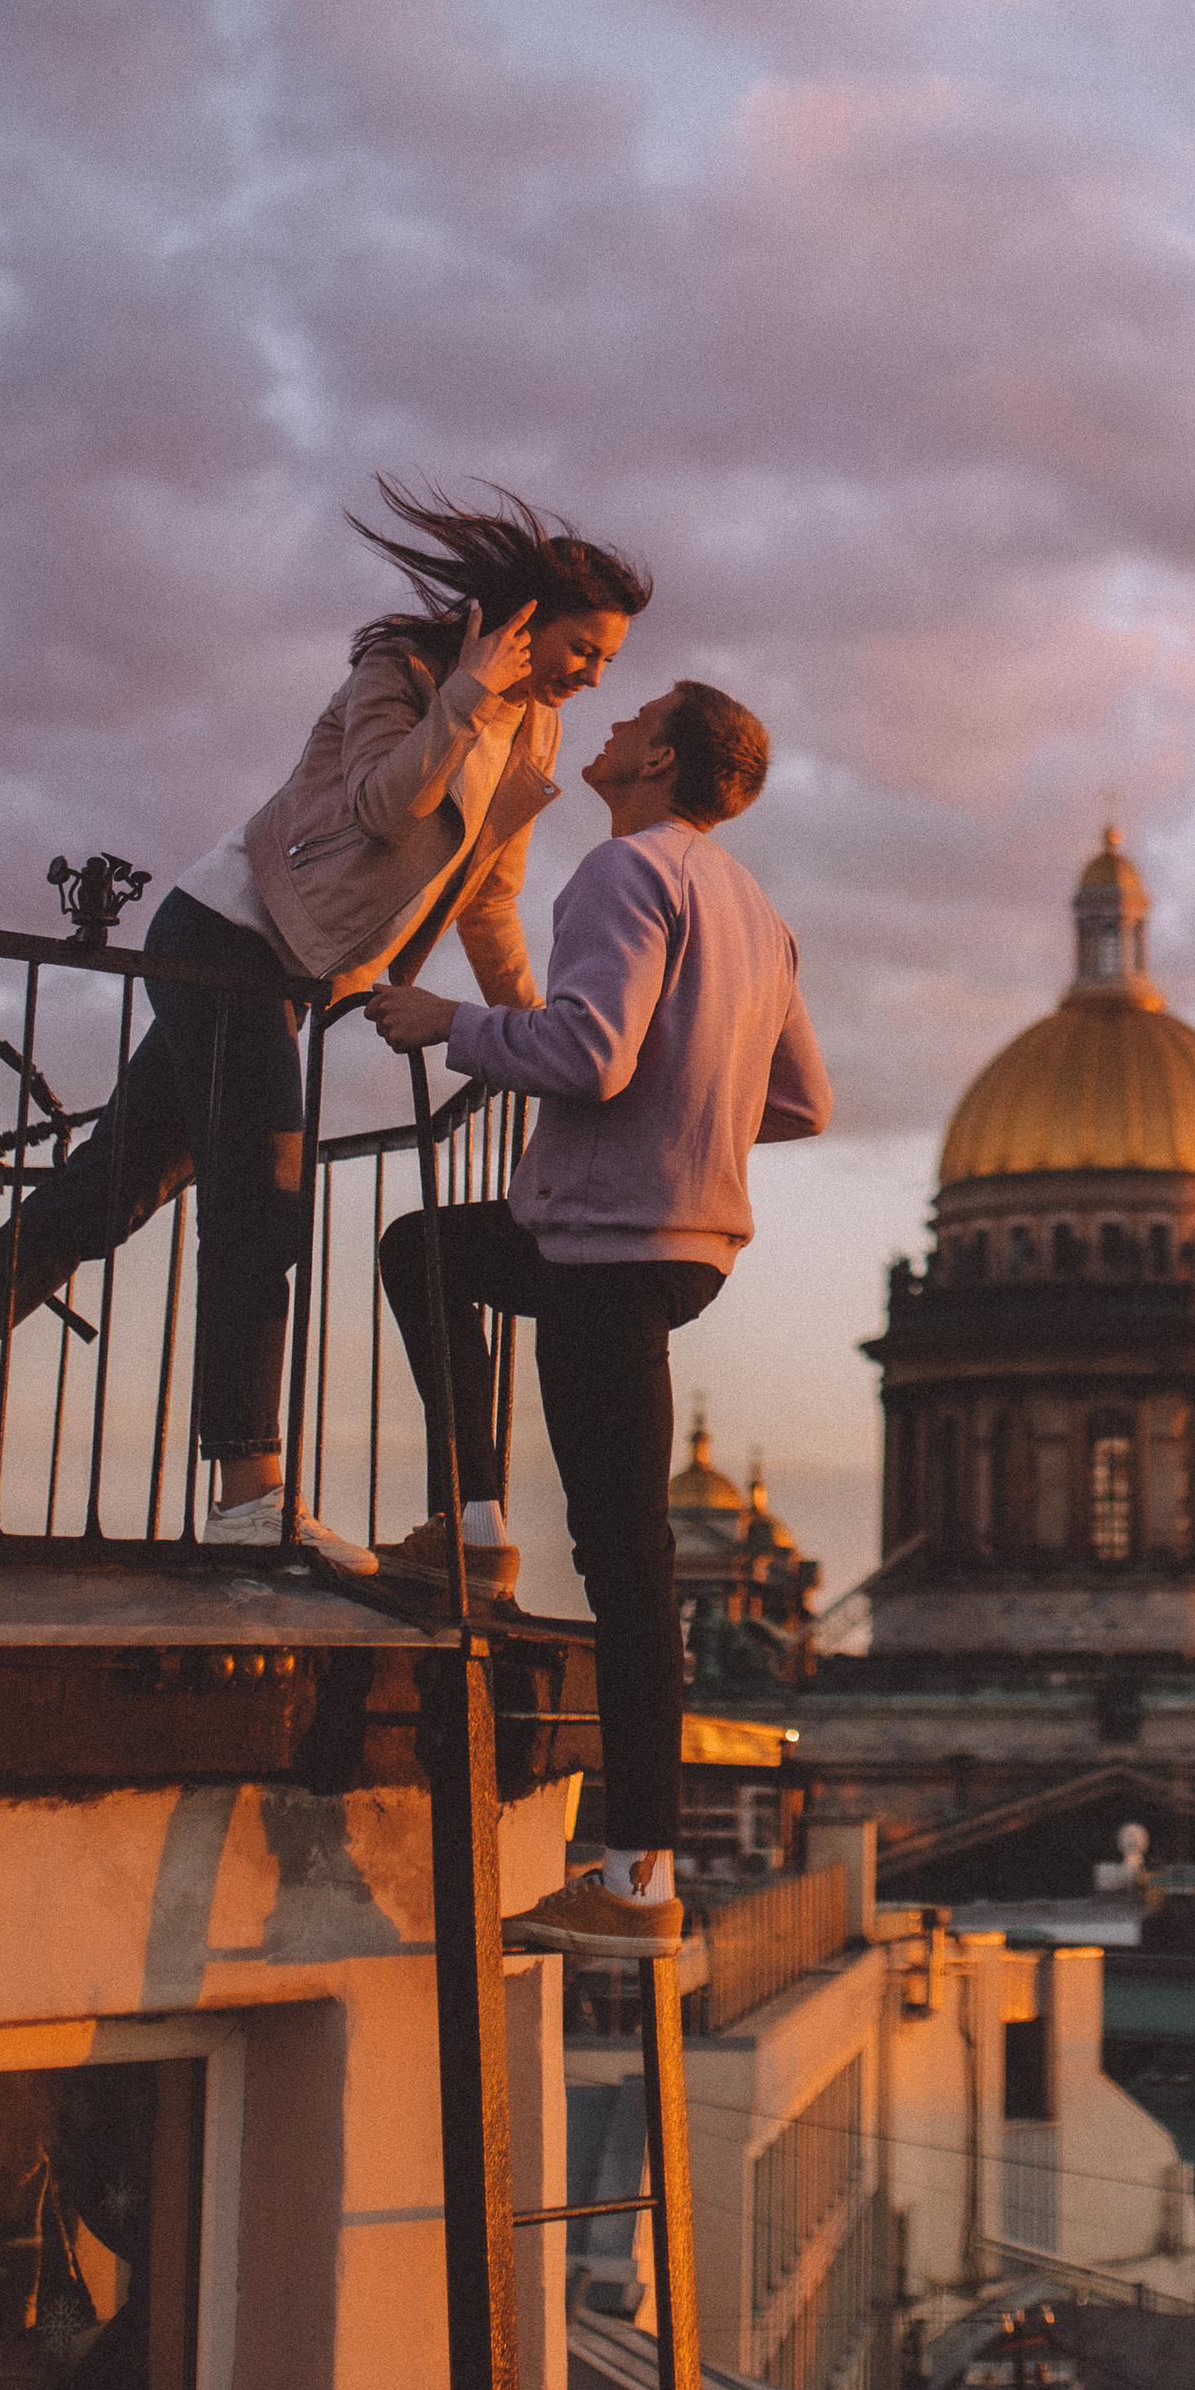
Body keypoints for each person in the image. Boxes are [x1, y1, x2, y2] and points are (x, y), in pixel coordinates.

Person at [0, 482, 649, 1568]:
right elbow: (384, 806)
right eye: (584, 648)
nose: (593, 675)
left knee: (106, 1192)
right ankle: (248, 1491)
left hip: (284, 973)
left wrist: (530, 1034)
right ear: (525, 623)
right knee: (261, 1203)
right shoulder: (402, 670)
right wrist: (462, 697)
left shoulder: (533, 725)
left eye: (607, 660)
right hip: (223, 937)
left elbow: (486, 894)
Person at [366, 673, 831, 1956]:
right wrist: (694, 1120)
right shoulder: (759, 912)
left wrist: (448, 1022)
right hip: (681, 1247)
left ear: (660, 759)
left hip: (606, 1246)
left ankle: (636, 1881)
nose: (610, 726)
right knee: (429, 1251)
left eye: (634, 721)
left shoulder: (626, 871)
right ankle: (471, 1531)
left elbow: (587, 1053)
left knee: (627, 1568)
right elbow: (803, 1103)